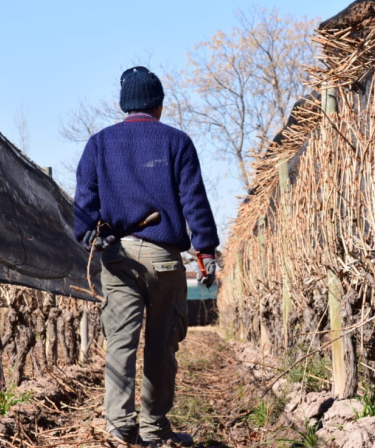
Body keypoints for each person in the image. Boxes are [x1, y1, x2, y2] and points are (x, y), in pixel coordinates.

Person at [74, 66, 219, 447]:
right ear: (158, 104)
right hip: (164, 259)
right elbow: (194, 201)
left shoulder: (99, 144)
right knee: (162, 341)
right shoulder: (177, 142)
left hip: (117, 256)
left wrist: (89, 233)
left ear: (124, 105)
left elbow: (84, 199)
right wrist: (205, 250)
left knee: (120, 341)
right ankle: (154, 429)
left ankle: (120, 427)